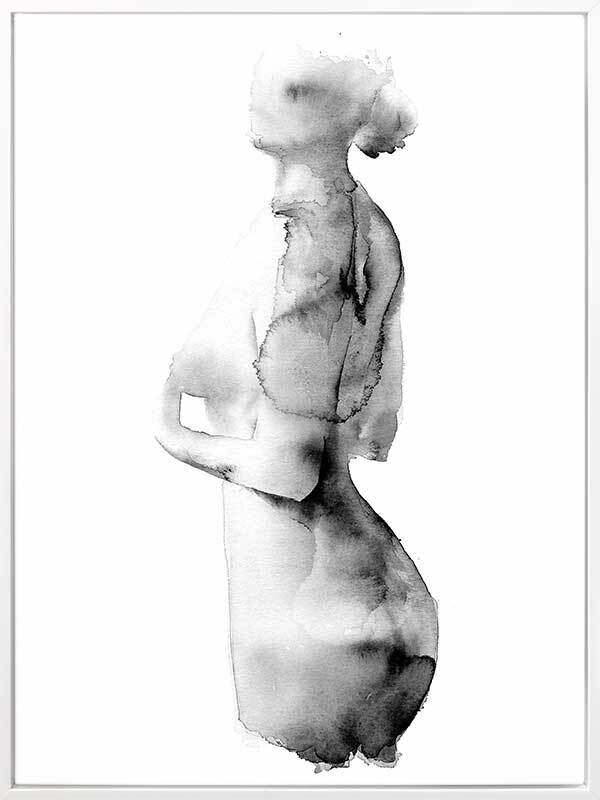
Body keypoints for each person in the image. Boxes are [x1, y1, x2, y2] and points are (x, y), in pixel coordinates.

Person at [156, 47, 438, 769]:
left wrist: (170, 434)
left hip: (315, 632)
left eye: (294, 86)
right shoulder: (362, 225)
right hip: (339, 606)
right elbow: (371, 426)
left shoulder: (309, 248)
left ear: (338, 116)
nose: (258, 88)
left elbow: (290, 469)